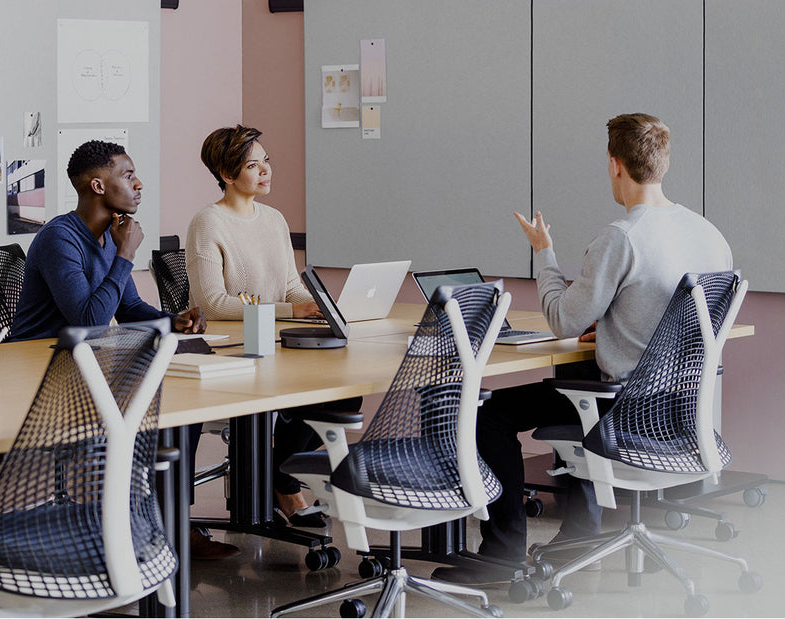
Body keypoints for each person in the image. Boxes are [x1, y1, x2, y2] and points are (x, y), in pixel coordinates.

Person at [432, 113, 733, 584]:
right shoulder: (709, 234)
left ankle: (502, 554)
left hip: (624, 406)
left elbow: (562, 319)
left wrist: (543, 251)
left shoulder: (622, 237)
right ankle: (580, 529)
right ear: (665, 163)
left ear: (615, 165)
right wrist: (616, 327)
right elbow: (673, 315)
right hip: (679, 404)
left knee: (486, 414)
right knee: (576, 385)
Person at [10, 140, 238, 560]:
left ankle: (167, 521)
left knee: (176, 407)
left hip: (82, 366)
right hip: (34, 371)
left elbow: (129, 308)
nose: (139, 184)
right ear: (98, 185)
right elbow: (89, 321)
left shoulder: (108, 235)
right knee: (149, 406)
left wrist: (174, 319)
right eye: (128, 175)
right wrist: (126, 254)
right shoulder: (60, 238)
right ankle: (126, 525)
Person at [186, 124, 361, 526]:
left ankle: (276, 473)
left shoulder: (274, 219)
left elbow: (290, 287)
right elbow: (213, 303)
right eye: (253, 165)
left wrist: (322, 306)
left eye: (266, 161)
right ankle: (283, 484)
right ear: (227, 175)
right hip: (234, 350)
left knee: (344, 396)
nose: (265, 171)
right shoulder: (207, 223)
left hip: (277, 343)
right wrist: (289, 310)